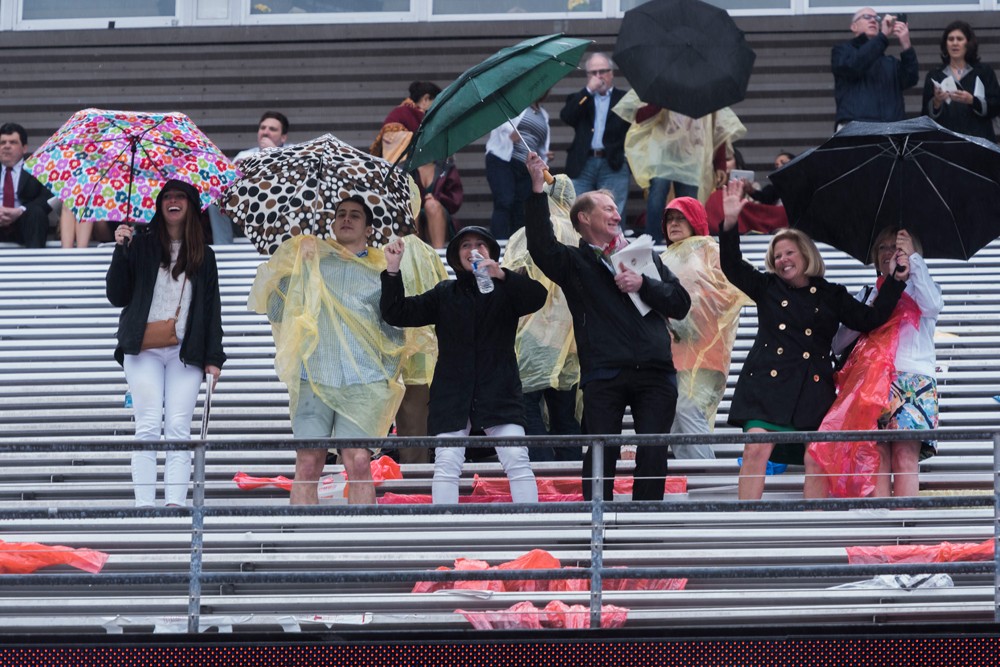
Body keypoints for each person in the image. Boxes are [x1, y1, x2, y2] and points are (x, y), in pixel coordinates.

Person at [718, 179, 909, 500]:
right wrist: (730, 221)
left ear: (805, 254)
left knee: (816, 457)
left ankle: (814, 525)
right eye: (777, 255)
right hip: (767, 386)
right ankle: (745, 523)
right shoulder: (766, 288)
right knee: (755, 449)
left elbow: (870, 319)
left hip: (811, 389)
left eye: (789, 252)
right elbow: (732, 266)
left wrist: (894, 281)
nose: (782, 259)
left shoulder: (830, 294)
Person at [524, 152, 691, 502]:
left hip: (656, 371)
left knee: (653, 451)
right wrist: (537, 189)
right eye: (606, 209)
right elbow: (541, 247)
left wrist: (642, 284)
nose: (617, 214)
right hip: (604, 372)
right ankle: (595, 524)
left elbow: (679, 302)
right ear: (584, 218)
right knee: (601, 453)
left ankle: (645, 524)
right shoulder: (574, 261)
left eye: (616, 209)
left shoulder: (641, 255)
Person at [248, 196, 406, 505]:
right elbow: (277, 310)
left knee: (358, 460)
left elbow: (396, 329)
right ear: (332, 224)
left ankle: (360, 540)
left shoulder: (379, 269)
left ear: (369, 228)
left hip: (364, 379)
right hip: (315, 375)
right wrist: (296, 267)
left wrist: (384, 374)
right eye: (341, 214)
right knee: (308, 460)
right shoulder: (312, 260)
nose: (347, 219)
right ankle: (302, 543)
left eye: (355, 215)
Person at [380, 226, 546, 504]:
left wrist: (501, 275)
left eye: (481, 245)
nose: (474, 251)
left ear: (492, 253)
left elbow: (537, 297)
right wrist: (393, 270)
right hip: (452, 394)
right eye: (466, 245)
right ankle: (445, 534)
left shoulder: (507, 290)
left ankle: (528, 529)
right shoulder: (445, 293)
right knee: (447, 462)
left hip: (500, 391)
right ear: (457, 257)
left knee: (517, 458)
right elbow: (397, 312)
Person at [105, 179, 225, 507]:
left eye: (180, 197)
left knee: (177, 427)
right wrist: (121, 249)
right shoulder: (140, 244)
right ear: (159, 204)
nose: (173, 201)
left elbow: (212, 307)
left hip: (186, 351)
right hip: (142, 348)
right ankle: (144, 505)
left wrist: (215, 357)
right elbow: (116, 295)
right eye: (167, 197)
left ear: (191, 205)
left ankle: (175, 504)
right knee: (146, 424)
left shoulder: (204, 254)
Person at [822, 228, 942, 498]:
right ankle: (882, 528)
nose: (889, 252)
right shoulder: (866, 293)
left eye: (896, 246)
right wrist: (879, 299)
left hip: (913, 379)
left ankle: (904, 527)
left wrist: (914, 263)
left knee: (905, 456)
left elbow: (933, 306)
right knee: (875, 457)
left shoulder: (925, 287)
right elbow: (838, 342)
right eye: (882, 248)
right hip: (873, 380)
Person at [660, 196, 749, 459]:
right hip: (671, 354)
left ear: (695, 220)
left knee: (687, 410)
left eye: (680, 218)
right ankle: (692, 488)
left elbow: (732, 289)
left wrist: (696, 302)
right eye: (669, 219)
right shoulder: (663, 256)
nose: (674, 224)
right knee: (676, 424)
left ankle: (708, 477)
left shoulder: (710, 249)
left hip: (704, 353)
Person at [502, 174, 583, 462]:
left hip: (533, 335)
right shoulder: (582, 235)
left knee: (527, 407)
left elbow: (514, 277)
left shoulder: (530, 232)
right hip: (571, 342)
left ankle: (545, 472)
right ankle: (572, 476)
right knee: (565, 415)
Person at [612, 91, 745, 243]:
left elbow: (717, 128)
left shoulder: (705, 92)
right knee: (657, 195)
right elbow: (640, 117)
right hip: (663, 155)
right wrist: (660, 100)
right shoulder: (661, 87)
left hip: (691, 158)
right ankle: (652, 239)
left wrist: (720, 163)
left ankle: (689, 242)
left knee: (688, 202)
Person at [559, 53, 631, 216]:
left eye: (603, 71)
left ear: (611, 73)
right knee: (578, 211)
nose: (599, 76)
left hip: (613, 162)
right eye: (593, 72)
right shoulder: (581, 97)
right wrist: (589, 91)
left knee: (613, 212)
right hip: (583, 163)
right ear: (587, 76)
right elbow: (567, 116)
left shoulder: (624, 99)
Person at [210, 111, 291, 245]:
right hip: (246, 215)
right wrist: (238, 172)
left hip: (278, 212)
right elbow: (227, 185)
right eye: (262, 128)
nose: (265, 132)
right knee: (217, 198)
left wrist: (274, 153)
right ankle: (223, 248)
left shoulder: (291, 153)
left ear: (283, 138)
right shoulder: (244, 155)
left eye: (272, 129)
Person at [832, 9, 918, 129]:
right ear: (854, 26)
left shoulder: (890, 62)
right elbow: (854, 66)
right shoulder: (842, 51)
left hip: (890, 131)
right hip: (855, 129)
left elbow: (911, 79)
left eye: (877, 18)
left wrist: (906, 44)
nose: (873, 20)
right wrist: (882, 36)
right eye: (867, 17)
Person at [484, 97, 551, 240]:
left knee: (521, 209)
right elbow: (499, 124)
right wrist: (510, 134)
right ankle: (499, 243)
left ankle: (517, 247)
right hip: (503, 160)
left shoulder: (543, 114)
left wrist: (545, 155)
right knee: (504, 201)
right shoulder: (512, 104)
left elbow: (540, 142)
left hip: (525, 166)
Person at [922, 21, 1000, 142]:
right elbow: (925, 118)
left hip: (979, 142)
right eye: (950, 39)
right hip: (947, 143)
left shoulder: (984, 71)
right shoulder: (935, 75)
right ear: (945, 44)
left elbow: (996, 106)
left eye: (959, 39)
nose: (955, 43)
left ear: (968, 43)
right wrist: (937, 102)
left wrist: (972, 101)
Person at [0, 123, 53, 248]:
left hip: (24, 224)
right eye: (3, 143)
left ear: (24, 148)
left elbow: (48, 198)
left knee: (36, 212)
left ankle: (36, 264)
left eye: (12, 142)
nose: (6, 146)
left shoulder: (37, 167)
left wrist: (20, 211)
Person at [370, 81, 441, 163]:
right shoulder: (405, 113)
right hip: (399, 165)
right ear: (426, 99)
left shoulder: (409, 112)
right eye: (436, 103)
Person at [411, 156, 462, 249]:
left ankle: (438, 254)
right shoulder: (407, 168)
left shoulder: (447, 168)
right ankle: (411, 252)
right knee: (411, 206)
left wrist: (437, 197)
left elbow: (455, 201)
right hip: (415, 220)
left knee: (431, 205)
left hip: (439, 217)